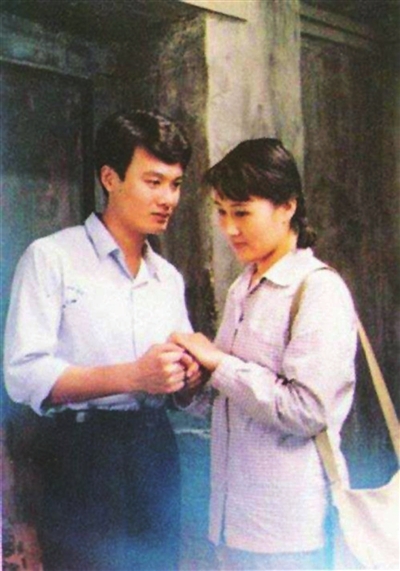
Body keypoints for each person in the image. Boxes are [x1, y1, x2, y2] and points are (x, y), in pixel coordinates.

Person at [4, 109, 201, 571]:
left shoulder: (167, 278)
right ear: (110, 178)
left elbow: (177, 388)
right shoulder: (51, 258)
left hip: (155, 450)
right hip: (79, 455)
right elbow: (23, 375)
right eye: (153, 182)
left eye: (175, 184)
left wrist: (189, 378)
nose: (168, 198)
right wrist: (134, 376)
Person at [170, 138, 358, 570]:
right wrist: (192, 381)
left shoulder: (319, 290)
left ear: (287, 206)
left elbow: (308, 409)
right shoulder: (243, 286)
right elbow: (235, 398)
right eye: (221, 212)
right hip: (232, 524)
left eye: (242, 212)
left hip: (287, 531)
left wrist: (219, 363)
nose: (229, 228)